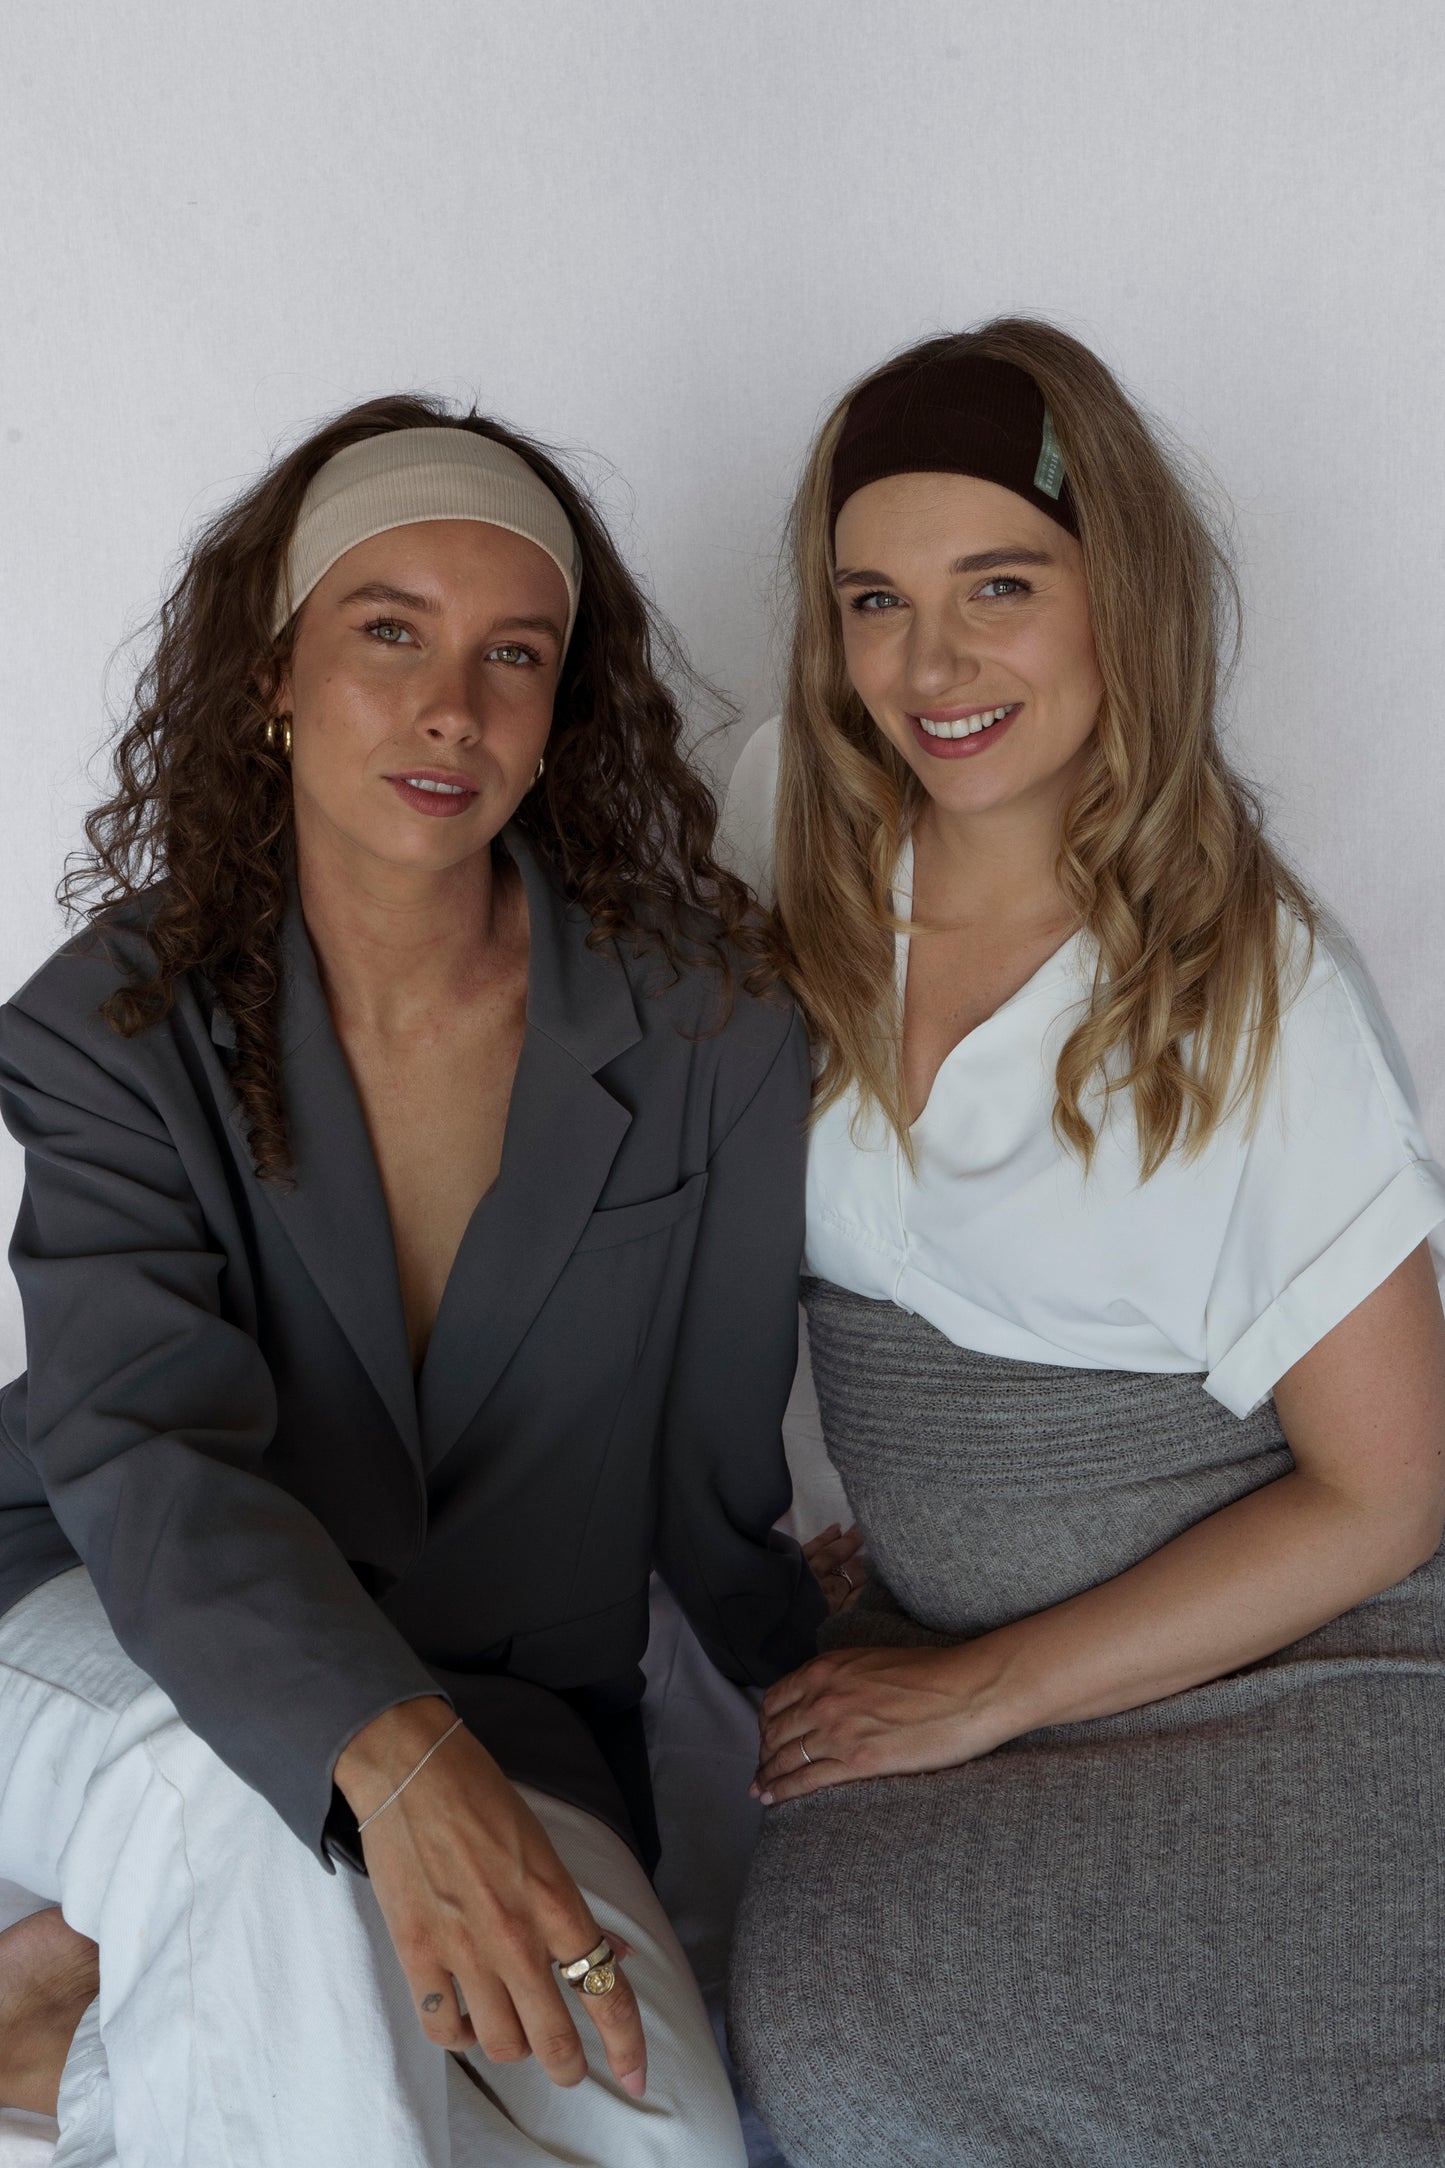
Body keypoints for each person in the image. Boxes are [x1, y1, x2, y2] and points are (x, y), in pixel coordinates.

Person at [0, 399, 838, 2166]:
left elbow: (709, 1483)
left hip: (512, 1718)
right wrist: (386, 1758)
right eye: (388, 631)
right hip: (101, 1621)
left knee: (662, 2136)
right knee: (259, 1832)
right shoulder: (112, 1027)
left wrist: (853, 1680)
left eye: (510, 654)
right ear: (273, 680)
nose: (451, 703)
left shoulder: (709, 1029)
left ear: (559, 715)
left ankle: (71, 2040)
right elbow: (147, 1455)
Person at [724, 322, 1445, 2165]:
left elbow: (1385, 1497)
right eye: (872, 600)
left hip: (1289, 1669)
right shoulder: (781, 885)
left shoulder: (1250, 989)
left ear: (1114, 593)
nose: (931, 662)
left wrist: (986, 1687)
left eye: (998, 586)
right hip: (929, 1652)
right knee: (834, 2058)